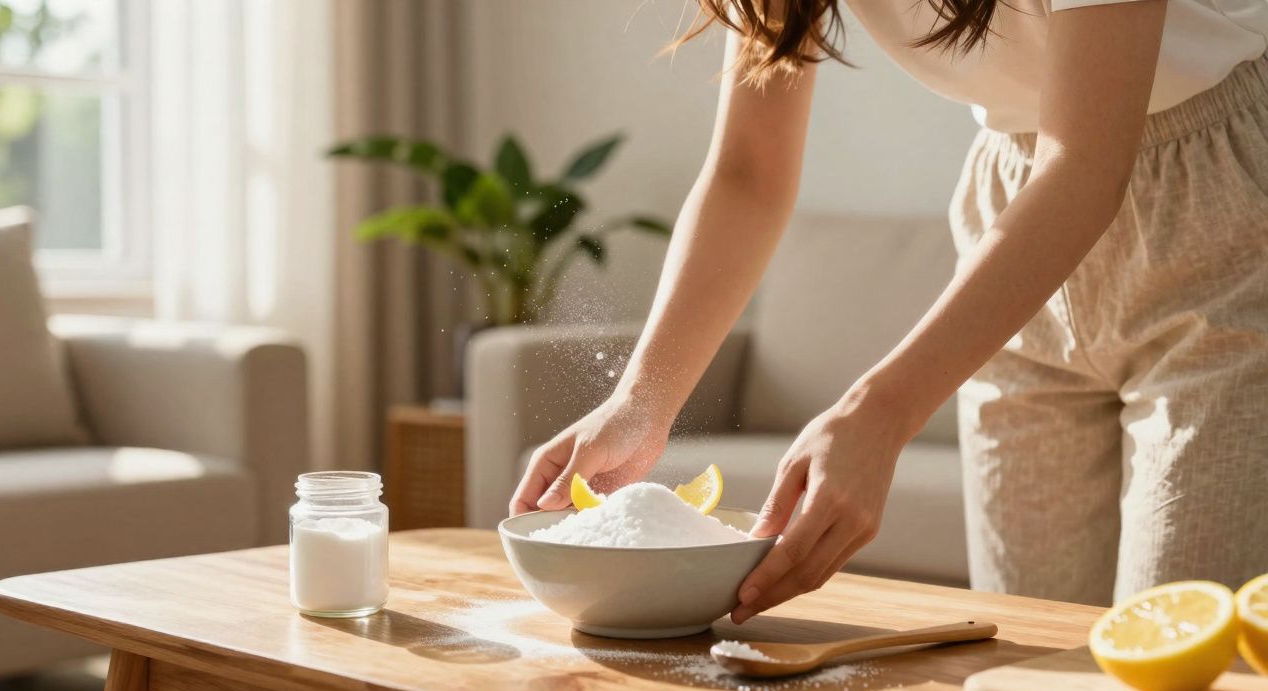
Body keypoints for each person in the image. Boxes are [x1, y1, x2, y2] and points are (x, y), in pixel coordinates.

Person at [509, 0, 1268, 622]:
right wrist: (642, 400)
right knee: (1033, 660)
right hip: (1012, 215)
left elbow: (1087, 162)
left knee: (1175, 665)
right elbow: (749, 170)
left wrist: (880, 412)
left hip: (1218, 211)